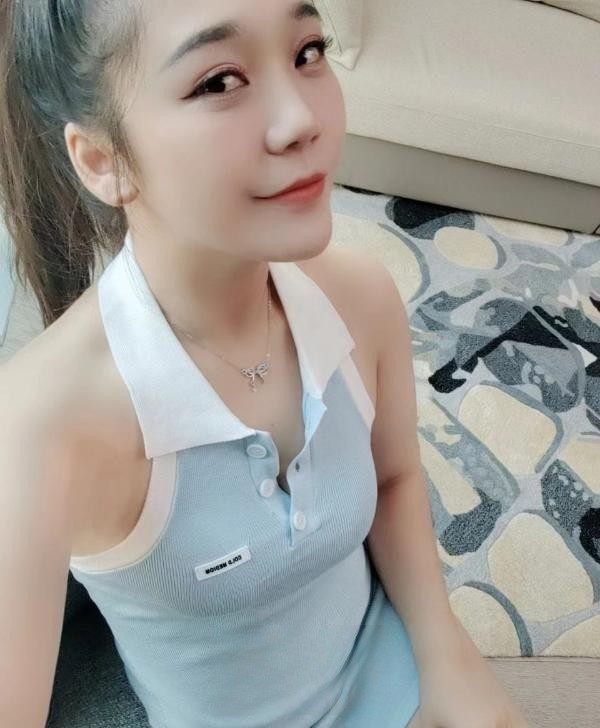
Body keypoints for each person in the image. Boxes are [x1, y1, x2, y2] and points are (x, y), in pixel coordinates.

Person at [0, 1, 531, 726]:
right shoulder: (40, 425)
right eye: (219, 81)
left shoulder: (360, 296)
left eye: (308, 51)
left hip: (401, 674)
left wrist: (449, 662)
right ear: (102, 159)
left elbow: (395, 477)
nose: (301, 120)